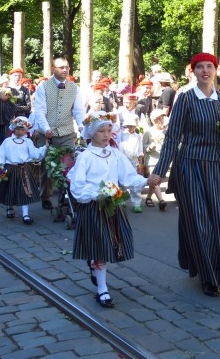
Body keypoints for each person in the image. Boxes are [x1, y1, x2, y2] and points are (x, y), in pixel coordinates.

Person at [148, 53, 220, 298]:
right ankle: (208, 277)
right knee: (200, 223)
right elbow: (172, 138)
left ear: (216, 70)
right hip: (192, 167)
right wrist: (159, 172)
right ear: (193, 72)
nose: (205, 71)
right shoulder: (186, 99)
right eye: (199, 67)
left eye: (209, 66)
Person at [67, 110, 147, 308]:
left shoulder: (115, 154)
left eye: (109, 130)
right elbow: (77, 186)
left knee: (111, 245)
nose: (106, 134)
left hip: (112, 207)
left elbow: (128, 176)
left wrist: (146, 180)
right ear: (92, 133)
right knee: (101, 247)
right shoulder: (85, 157)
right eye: (101, 130)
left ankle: (95, 267)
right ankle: (102, 289)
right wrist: (96, 194)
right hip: (94, 207)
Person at [33, 57, 86, 210]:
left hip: (67, 132)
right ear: (53, 69)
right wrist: (45, 128)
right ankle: (46, 196)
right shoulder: (43, 87)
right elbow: (40, 111)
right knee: (47, 166)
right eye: (61, 67)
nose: (65, 70)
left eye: (67, 67)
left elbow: (78, 111)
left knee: (68, 165)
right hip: (47, 133)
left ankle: (67, 196)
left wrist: (82, 127)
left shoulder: (75, 88)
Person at [0, 116, 48, 224]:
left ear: (26, 130)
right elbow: (0, 155)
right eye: (18, 129)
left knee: (25, 192)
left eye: (22, 129)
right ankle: (10, 207)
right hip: (10, 169)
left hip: (24, 170)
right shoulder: (7, 141)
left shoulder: (28, 142)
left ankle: (25, 214)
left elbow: (34, 154)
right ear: (13, 129)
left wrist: (44, 148)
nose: (20, 131)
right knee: (10, 189)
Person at [118, 117, 145, 213]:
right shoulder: (121, 135)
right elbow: (118, 148)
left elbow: (140, 151)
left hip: (134, 162)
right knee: (121, 182)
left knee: (135, 182)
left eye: (132, 126)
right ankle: (121, 199)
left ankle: (136, 203)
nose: (130, 128)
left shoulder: (138, 136)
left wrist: (140, 164)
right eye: (128, 126)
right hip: (123, 161)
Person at [142, 108, 167, 211]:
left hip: (162, 160)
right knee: (155, 181)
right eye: (158, 119)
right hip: (151, 160)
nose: (161, 121)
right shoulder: (148, 132)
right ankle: (161, 200)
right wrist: (149, 147)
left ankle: (148, 198)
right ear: (153, 120)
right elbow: (143, 147)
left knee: (157, 181)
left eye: (162, 118)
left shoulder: (166, 131)